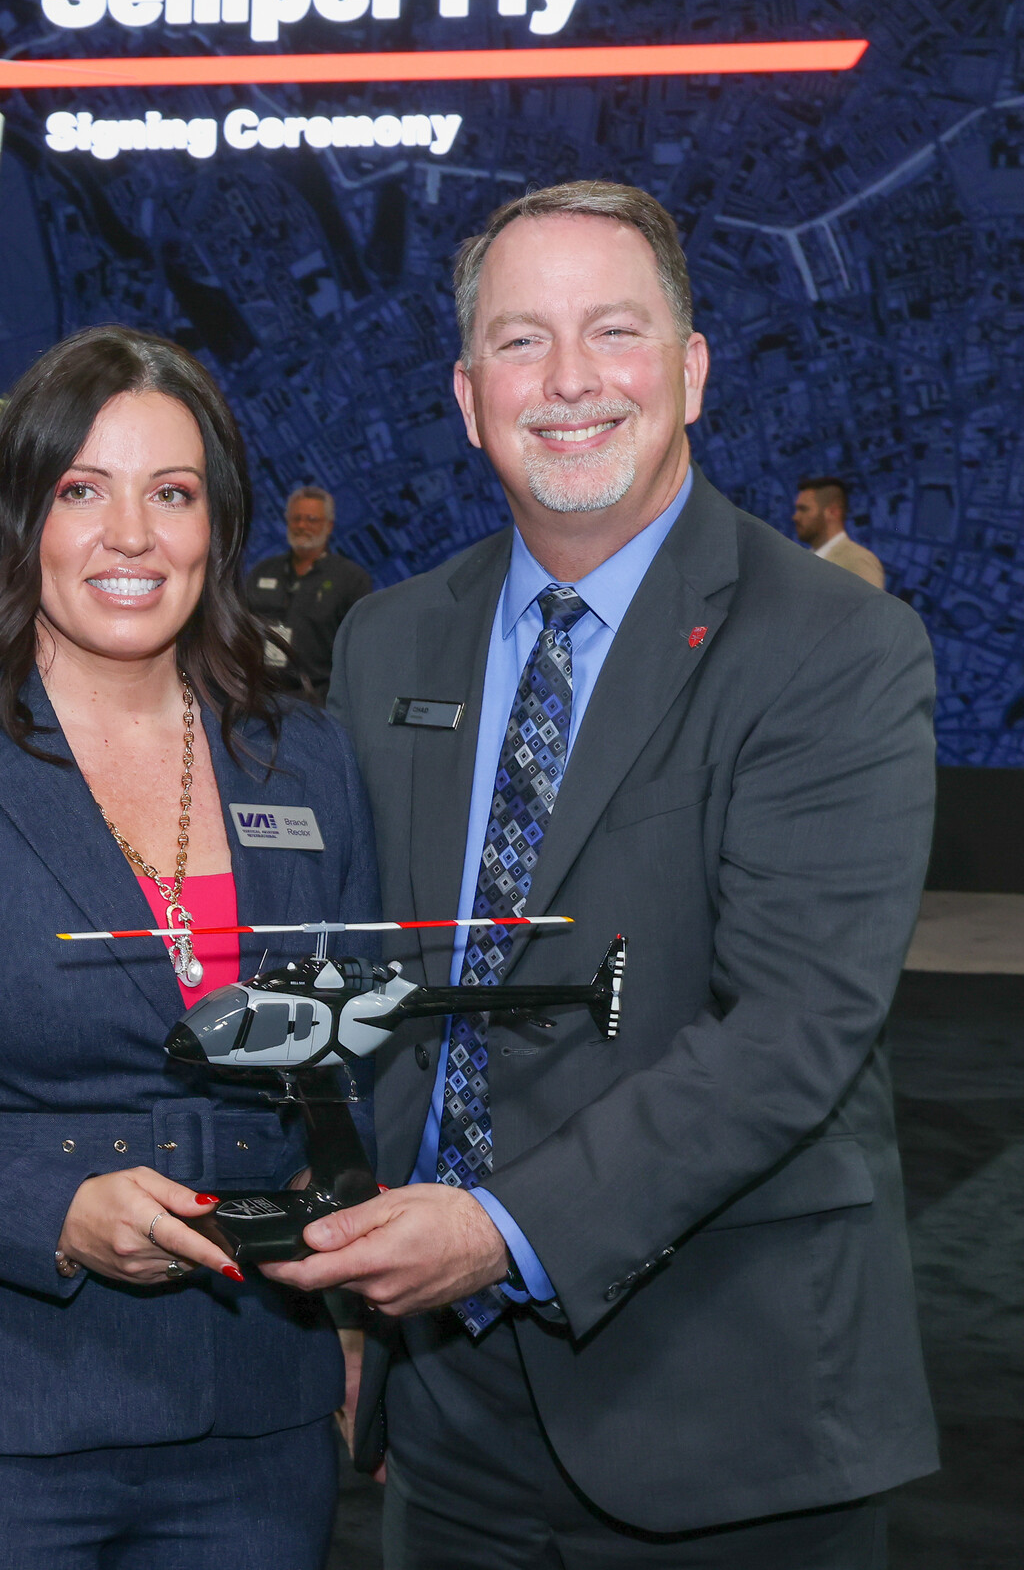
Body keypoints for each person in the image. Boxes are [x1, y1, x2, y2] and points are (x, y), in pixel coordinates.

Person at [287, 181, 936, 1565]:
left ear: (690, 371)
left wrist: (502, 1228)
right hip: (445, 1410)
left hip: (724, 1406)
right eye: (521, 340)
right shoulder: (388, 643)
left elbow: (790, 1027)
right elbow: (370, 983)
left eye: (614, 331)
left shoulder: (834, 646)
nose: (569, 379)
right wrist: (349, 1290)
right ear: (469, 397)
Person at [0, 325, 381, 1569]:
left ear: (219, 524)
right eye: (83, 490)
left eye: (172, 493)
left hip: (253, 1428)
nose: (130, 535)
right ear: (20, 515)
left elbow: (350, 1062)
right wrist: (51, 1211)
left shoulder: (303, 758)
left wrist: (359, 1308)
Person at [242, 485, 371, 699]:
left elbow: (360, 653)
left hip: (316, 701)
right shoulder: (262, 571)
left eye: (312, 520)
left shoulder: (352, 580)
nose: (302, 526)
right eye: (296, 519)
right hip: (259, 695)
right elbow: (239, 630)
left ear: (329, 526)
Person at [793, 473, 886, 587]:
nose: (795, 517)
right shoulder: (804, 562)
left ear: (832, 512)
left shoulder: (858, 561)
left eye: (803, 509)